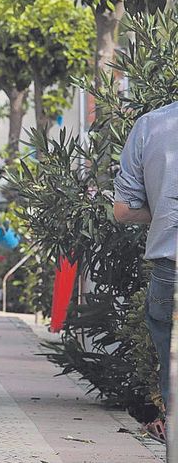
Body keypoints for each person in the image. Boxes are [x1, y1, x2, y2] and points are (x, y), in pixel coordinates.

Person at [114, 102, 178, 438]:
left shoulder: (151, 125)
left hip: (171, 270)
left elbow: (123, 211)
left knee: (173, 374)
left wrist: (166, 211)